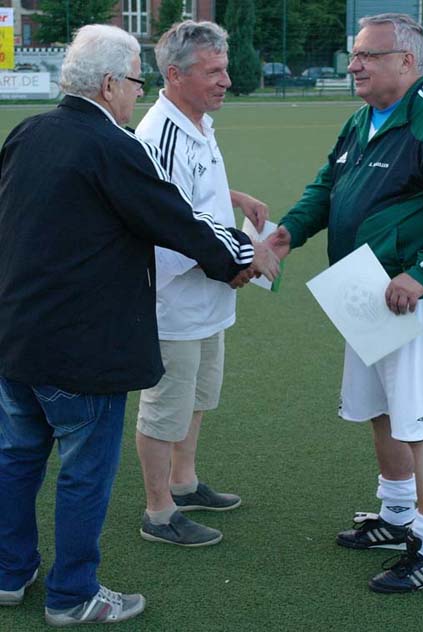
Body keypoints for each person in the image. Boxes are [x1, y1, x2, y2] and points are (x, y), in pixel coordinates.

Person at [0, 24, 279, 626]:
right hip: (82, 347)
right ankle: (73, 596)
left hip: (18, 337)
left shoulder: (28, 132)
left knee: (19, 458)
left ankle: (9, 572)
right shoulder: (114, 144)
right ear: (108, 84)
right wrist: (241, 255)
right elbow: (174, 219)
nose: (138, 91)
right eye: (134, 81)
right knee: (83, 470)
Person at [269, 13, 423, 593]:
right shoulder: (360, 120)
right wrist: (290, 231)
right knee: (380, 409)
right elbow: (327, 187)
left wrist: (421, 276)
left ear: (408, 61)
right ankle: (396, 519)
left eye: (368, 55)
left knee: (422, 422)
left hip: (413, 298)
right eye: (355, 55)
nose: (355, 65)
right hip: (362, 289)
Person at [134, 21, 269, 547]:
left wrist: (232, 196)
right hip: (176, 301)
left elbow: (190, 191)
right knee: (166, 404)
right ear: (175, 75)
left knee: (197, 396)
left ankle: (183, 482)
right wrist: (235, 262)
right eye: (213, 71)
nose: (226, 81)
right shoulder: (160, 134)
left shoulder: (196, 121)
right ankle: (158, 511)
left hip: (206, 297)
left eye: (224, 68)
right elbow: (167, 227)